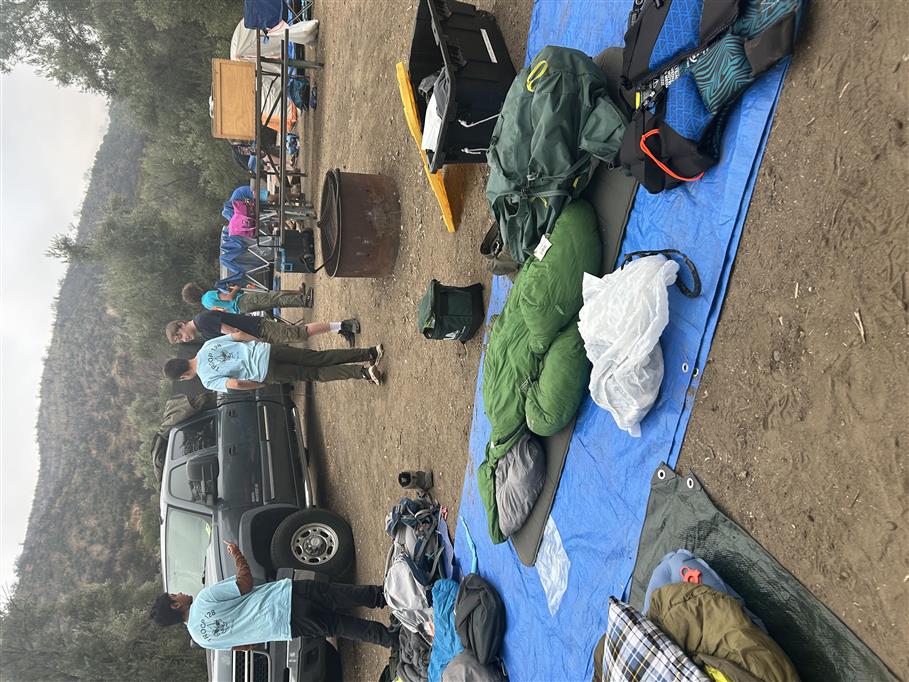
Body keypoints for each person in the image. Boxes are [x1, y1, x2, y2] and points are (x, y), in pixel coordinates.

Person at [150, 541, 395, 650]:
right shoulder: (203, 600)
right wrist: (236, 553)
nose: (180, 593)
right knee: (338, 595)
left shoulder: (202, 640)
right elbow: (244, 584)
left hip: (286, 628)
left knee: (338, 626)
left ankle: (393, 640)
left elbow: (243, 646)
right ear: (175, 605)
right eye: (175, 595)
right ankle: (389, 596)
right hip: (285, 598)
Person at [163, 335, 384, 390]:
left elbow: (236, 384)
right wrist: (260, 343)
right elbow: (237, 335)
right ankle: (369, 352)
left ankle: (364, 373)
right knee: (318, 357)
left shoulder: (207, 380)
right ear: (182, 359)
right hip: (266, 351)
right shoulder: (206, 346)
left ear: (183, 376)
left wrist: (259, 384)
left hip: (265, 372)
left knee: (314, 374)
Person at [165, 311, 361, 347]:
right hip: (257, 333)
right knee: (298, 335)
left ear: (181, 325)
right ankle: (339, 329)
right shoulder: (203, 330)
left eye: (179, 336)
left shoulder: (202, 321)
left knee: (299, 333)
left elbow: (233, 332)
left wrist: (257, 342)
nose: (183, 339)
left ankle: (344, 324)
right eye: (179, 340)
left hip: (257, 330)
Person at [182, 282, 310, 315]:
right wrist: (236, 288)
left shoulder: (206, 305)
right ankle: (304, 300)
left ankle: (301, 298)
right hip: (242, 300)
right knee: (274, 297)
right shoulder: (208, 295)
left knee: (274, 302)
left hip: (242, 309)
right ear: (196, 290)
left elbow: (224, 309)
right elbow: (229, 298)